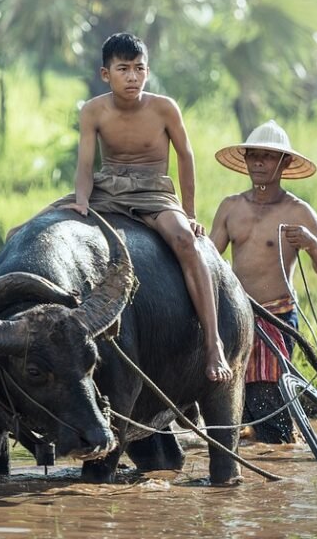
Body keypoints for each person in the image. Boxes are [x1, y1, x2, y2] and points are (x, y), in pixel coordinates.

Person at [42, 32, 232, 382]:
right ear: (106, 74)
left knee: (187, 244)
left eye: (139, 69)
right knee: (31, 229)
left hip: (153, 191)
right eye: (124, 69)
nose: (132, 77)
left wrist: (189, 214)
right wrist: (81, 200)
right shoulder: (93, 110)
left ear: (148, 71)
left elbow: (186, 157)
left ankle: (213, 343)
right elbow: (86, 164)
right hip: (108, 187)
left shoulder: (164, 108)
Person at [210, 119, 317, 442]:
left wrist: (310, 242)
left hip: (276, 318)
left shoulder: (298, 212)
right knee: (230, 407)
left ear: (285, 163)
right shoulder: (231, 208)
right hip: (236, 317)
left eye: (267, 156)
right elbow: (209, 261)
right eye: (253, 155)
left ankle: (280, 451)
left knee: (267, 403)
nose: (258, 162)